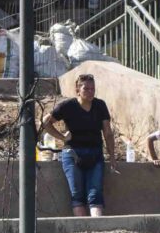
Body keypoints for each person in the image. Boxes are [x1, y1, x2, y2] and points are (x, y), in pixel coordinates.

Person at [46, 74, 114, 217]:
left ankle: (98, 231)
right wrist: (61, 137)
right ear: (78, 90)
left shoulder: (100, 105)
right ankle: (83, 232)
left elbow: (108, 132)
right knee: (77, 194)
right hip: (73, 153)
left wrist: (112, 156)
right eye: (86, 89)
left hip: (95, 153)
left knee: (95, 193)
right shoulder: (68, 105)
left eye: (92, 89)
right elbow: (45, 123)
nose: (90, 92)